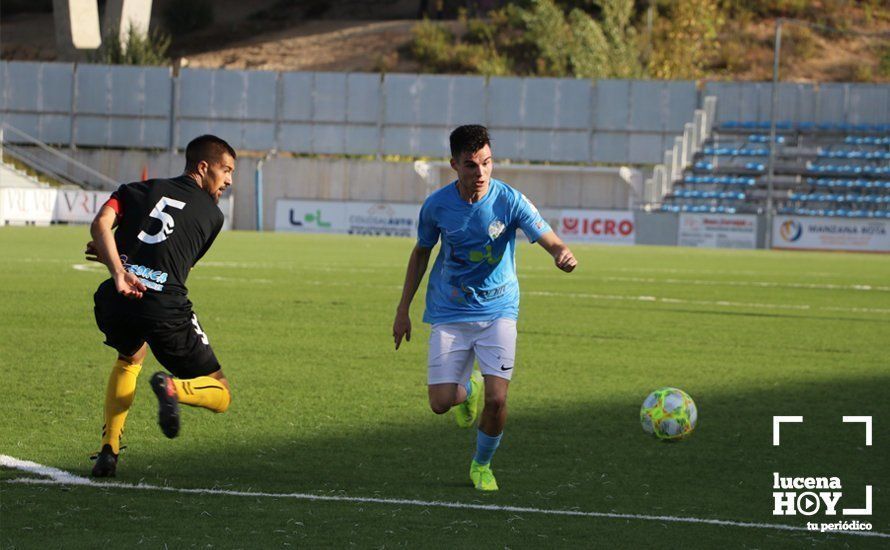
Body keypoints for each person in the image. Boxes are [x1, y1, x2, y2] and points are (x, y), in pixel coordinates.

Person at [392, 124, 577, 491]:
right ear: (454, 165)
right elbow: (421, 254)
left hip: (498, 311)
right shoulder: (436, 206)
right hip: (450, 311)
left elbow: (548, 237)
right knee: (441, 403)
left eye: (486, 163)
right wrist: (402, 310)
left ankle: (482, 465)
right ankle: (467, 390)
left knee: (498, 399)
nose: (481, 173)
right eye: (471, 165)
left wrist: (561, 253)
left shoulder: (509, 200)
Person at [88, 134, 236, 477]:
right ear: (203, 167)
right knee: (222, 392)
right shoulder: (212, 217)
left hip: (115, 299)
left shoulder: (133, 190)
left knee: (130, 356)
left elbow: (101, 226)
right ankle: (173, 388)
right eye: (225, 170)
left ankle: (108, 450)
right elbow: (172, 267)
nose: (229, 180)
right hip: (163, 308)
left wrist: (116, 267)